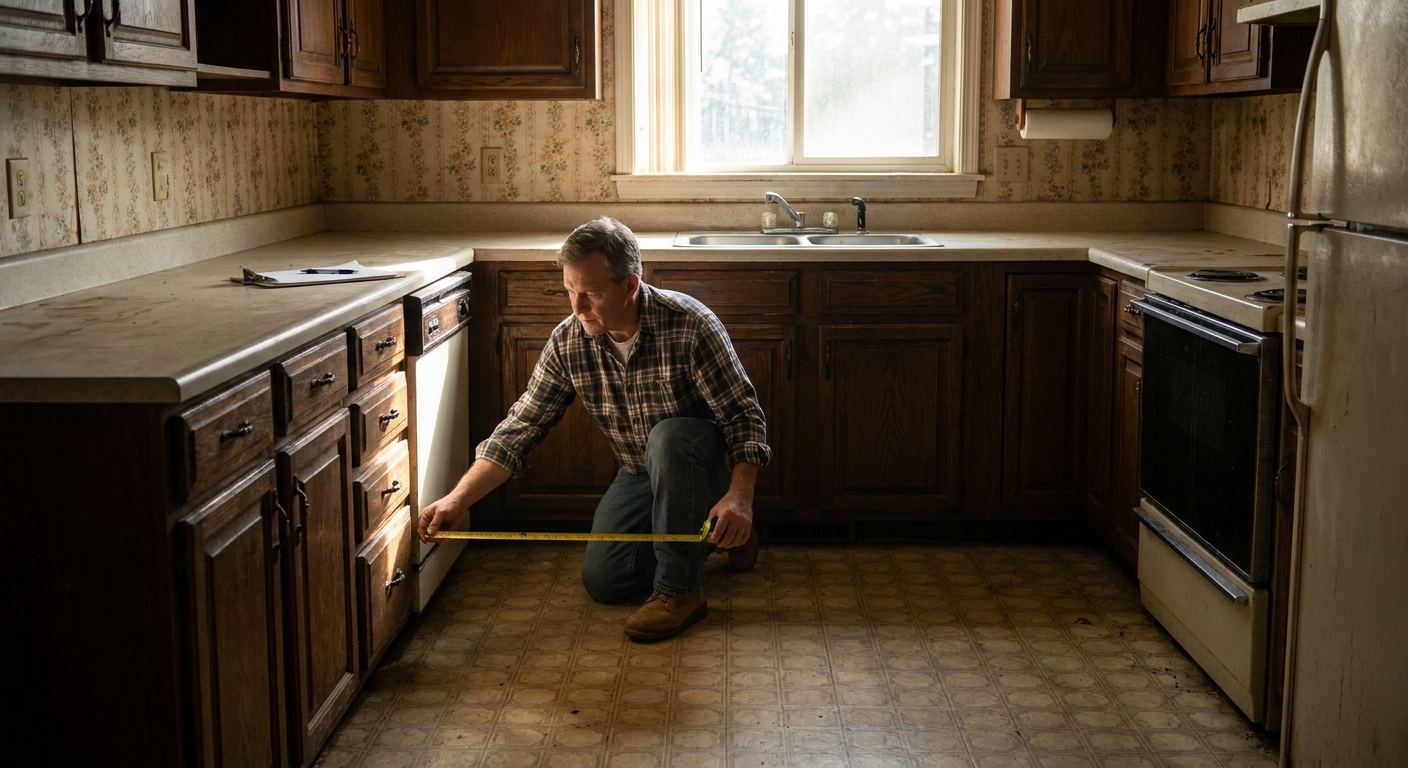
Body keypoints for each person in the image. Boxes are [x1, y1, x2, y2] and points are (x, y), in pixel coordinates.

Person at [418, 216, 770, 642]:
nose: (576, 308)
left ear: (631, 286)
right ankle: (719, 536)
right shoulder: (569, 342)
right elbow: (520, 428)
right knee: (606, 582)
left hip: (702, 464)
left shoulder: (691, 325)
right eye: (570, 291)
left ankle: (681, 591)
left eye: (590, 294)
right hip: (638, 471)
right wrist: (458, 500)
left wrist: (740, 497)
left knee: (669, 437)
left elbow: (743, 417)